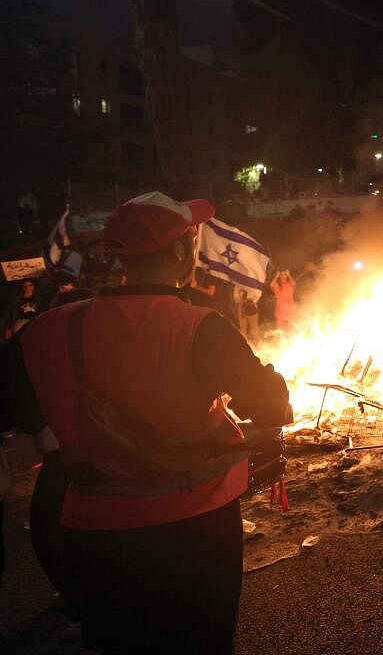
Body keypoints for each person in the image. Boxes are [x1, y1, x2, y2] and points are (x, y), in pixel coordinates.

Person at [1, 191, 292, 654]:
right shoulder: (201, 327)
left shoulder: (52, 327)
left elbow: (9, 405)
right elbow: (274, 411)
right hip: (195, 532)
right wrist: (273, 383)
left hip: (93, 533)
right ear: (180, 253)